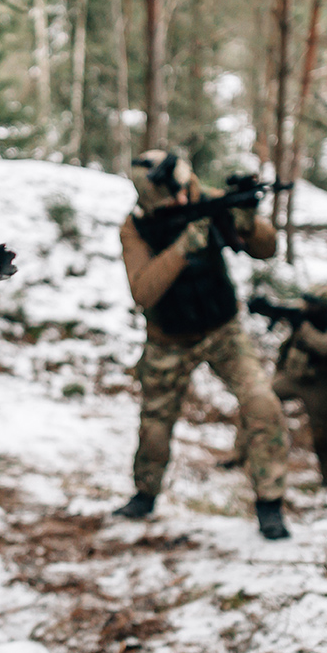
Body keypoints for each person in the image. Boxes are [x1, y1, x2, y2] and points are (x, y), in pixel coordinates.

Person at [113, 149, 291, 540]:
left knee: (262, 401)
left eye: (182, 192)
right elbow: (143, 290)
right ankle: (145, 495)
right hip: (168, 339)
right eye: (169, 198)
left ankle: (269, 503)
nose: (180, 201)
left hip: (223, 331)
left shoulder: (209, 200)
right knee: (156, 424)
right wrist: (180, 250)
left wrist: (248, 223)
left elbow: (267, 248)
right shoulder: (135, 228)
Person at [243, 286, 327, 487]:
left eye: (312, 304)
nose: (307, 306)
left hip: (318, 384)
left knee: (321, 431)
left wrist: (304, 327)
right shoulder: (303, 311)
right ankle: (239, 454)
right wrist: (264, 308)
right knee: (258, 400)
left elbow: (325, 346)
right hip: (292, 377)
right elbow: (281, 309)